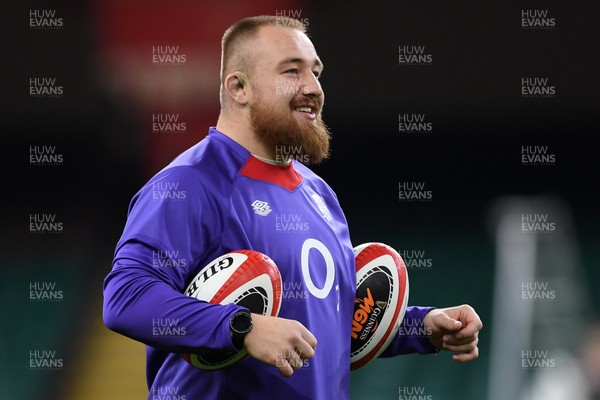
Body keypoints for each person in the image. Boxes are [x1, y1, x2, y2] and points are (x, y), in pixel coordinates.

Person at [103, 15, 483, 399]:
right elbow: (125, 297)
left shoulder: (318, 193)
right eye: (292, 71)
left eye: (316, 72)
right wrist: (243, 328)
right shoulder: (190, 183)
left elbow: (327, 323)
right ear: (239, 87)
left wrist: (423, 327)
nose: (313, 88)